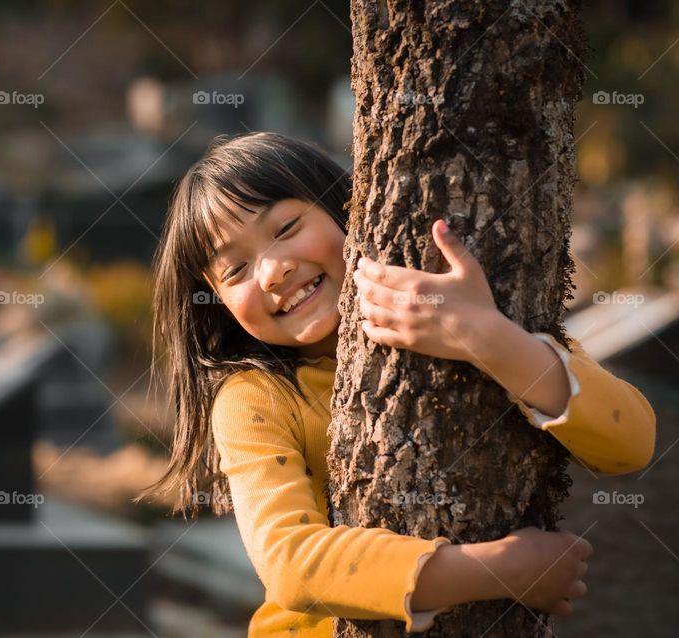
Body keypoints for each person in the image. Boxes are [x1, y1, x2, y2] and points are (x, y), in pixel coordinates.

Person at [135, 132, 656, 635]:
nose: (271, 271)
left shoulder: (463, 303)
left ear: (350, 210)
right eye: (236, 270)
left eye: (286, 227)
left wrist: (487, 337)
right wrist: (499, 570)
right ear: (219, 306)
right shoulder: (255, 398)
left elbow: (630, 443)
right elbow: (292, 566)